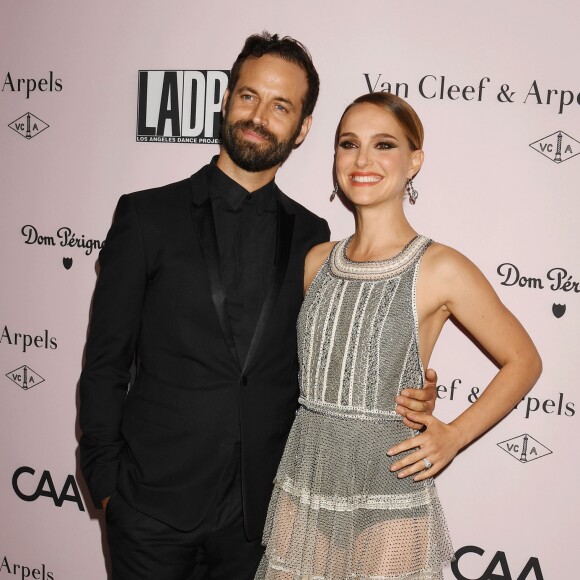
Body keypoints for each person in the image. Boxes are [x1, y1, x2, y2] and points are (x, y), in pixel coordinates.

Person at [79, 35, 437, 580]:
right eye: (249, 96)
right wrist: (105, 486)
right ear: (226, 100)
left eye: (281, 106)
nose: (258, 117)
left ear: (302, 128)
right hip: (150, 506)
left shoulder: (315, 240)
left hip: (262, 515)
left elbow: (326, 359)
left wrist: (411, 384)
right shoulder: (147, 217)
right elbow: (106, 362)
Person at [256, 92, 542, 579]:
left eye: (383, 144)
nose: (363, 159)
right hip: (304, 478)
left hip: (389, 484)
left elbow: (524, 360)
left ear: (414, 161)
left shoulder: (441, 267)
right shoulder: (316, 261)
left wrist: (453, 437)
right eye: (349, 144)